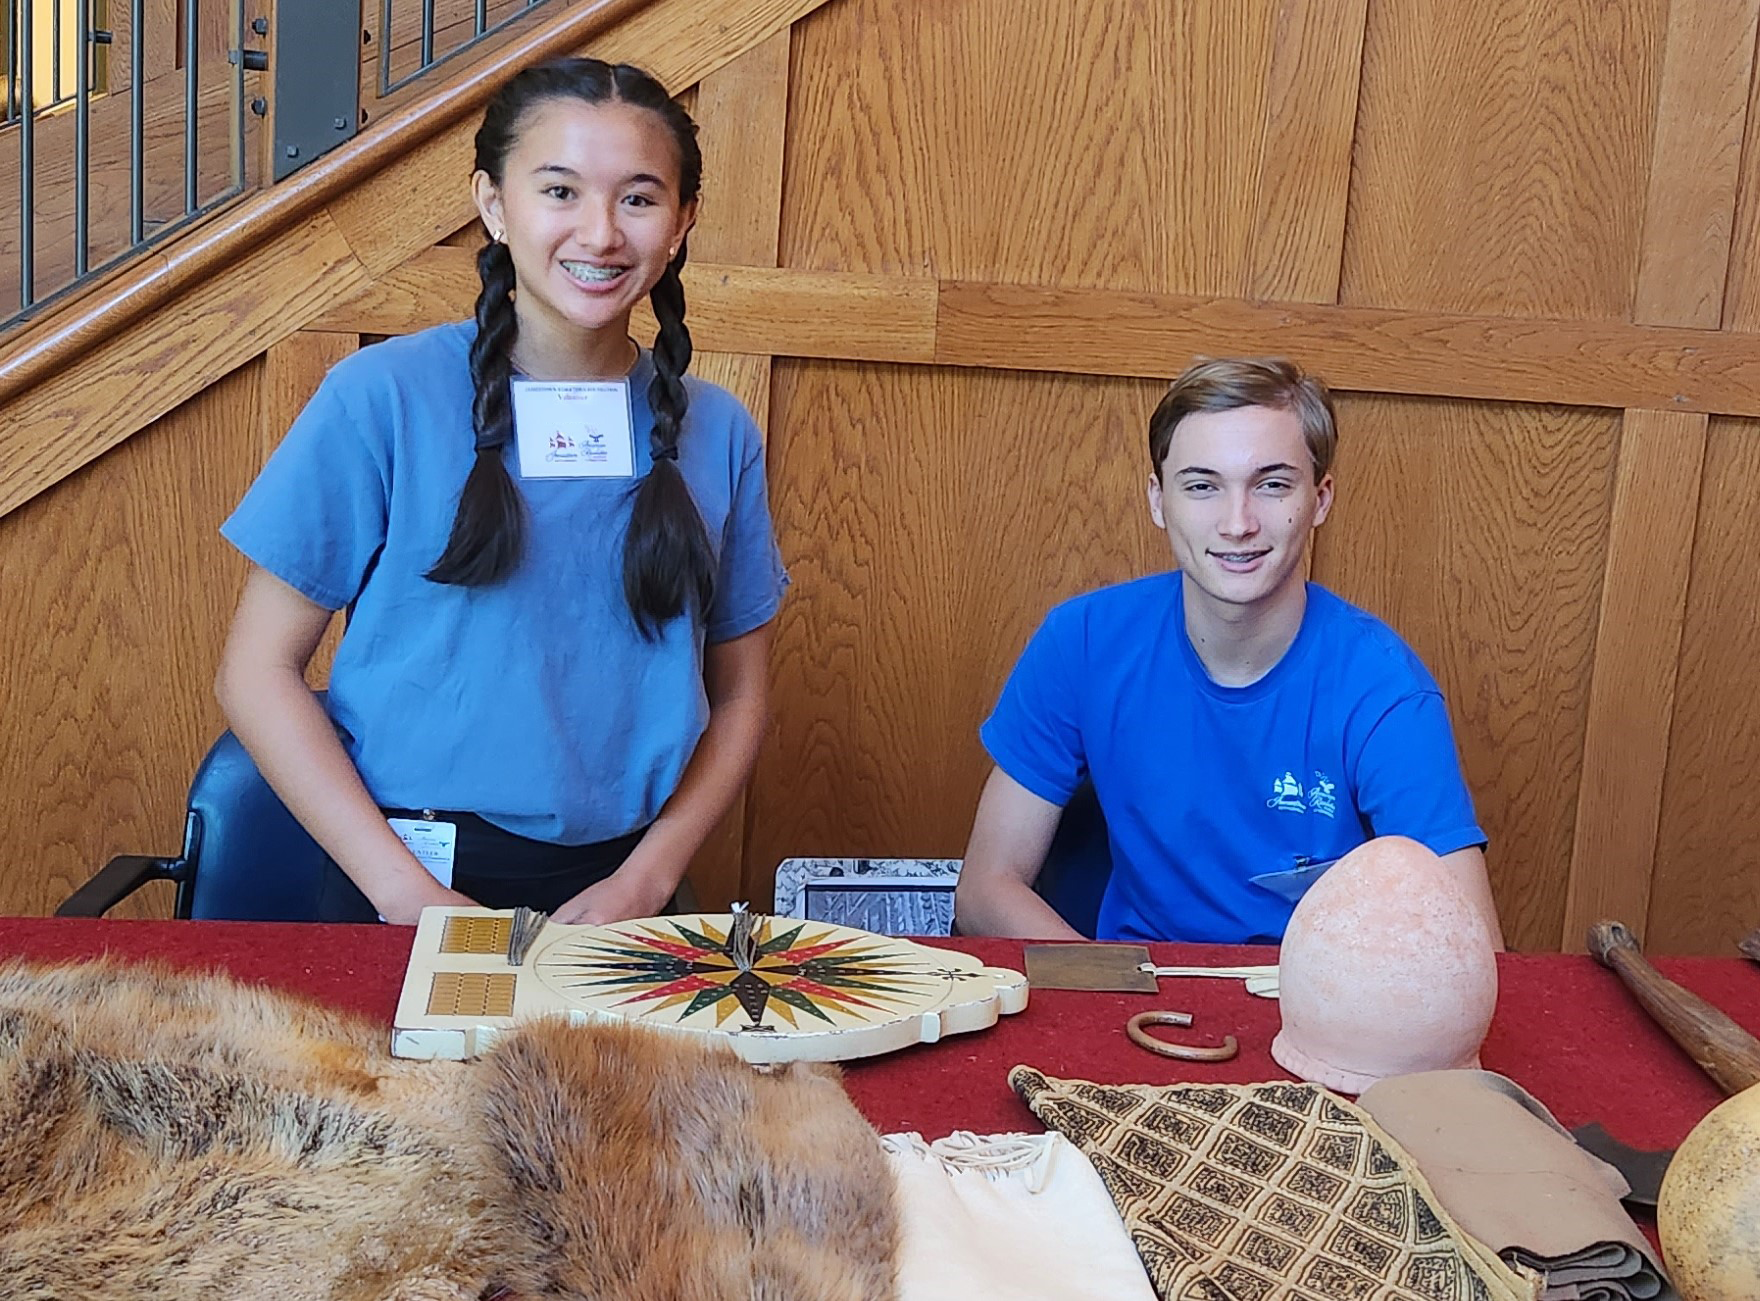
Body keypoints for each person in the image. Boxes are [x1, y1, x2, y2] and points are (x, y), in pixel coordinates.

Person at [215, 58, 786, 926]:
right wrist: (407, 893)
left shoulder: (719, 428)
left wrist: (645, 878)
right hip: (406, 882)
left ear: (681, 222)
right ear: (493, 205)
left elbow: (741, 695)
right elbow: (256, 671)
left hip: (628, 895)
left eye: (638, 198)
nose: (599, 234)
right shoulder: (382, 396)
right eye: (559, 191)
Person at [954, 357, 1503, 946]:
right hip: (1129, 992)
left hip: (1313, 1007)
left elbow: (1470, 947)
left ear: (1319, 500)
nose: (1237, 523)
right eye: (1201, 486)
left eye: (1271, 484)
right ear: (1158, 500)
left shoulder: (1385, 688)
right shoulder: (1081, 642)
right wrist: (1112, 989)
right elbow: (986, 888)